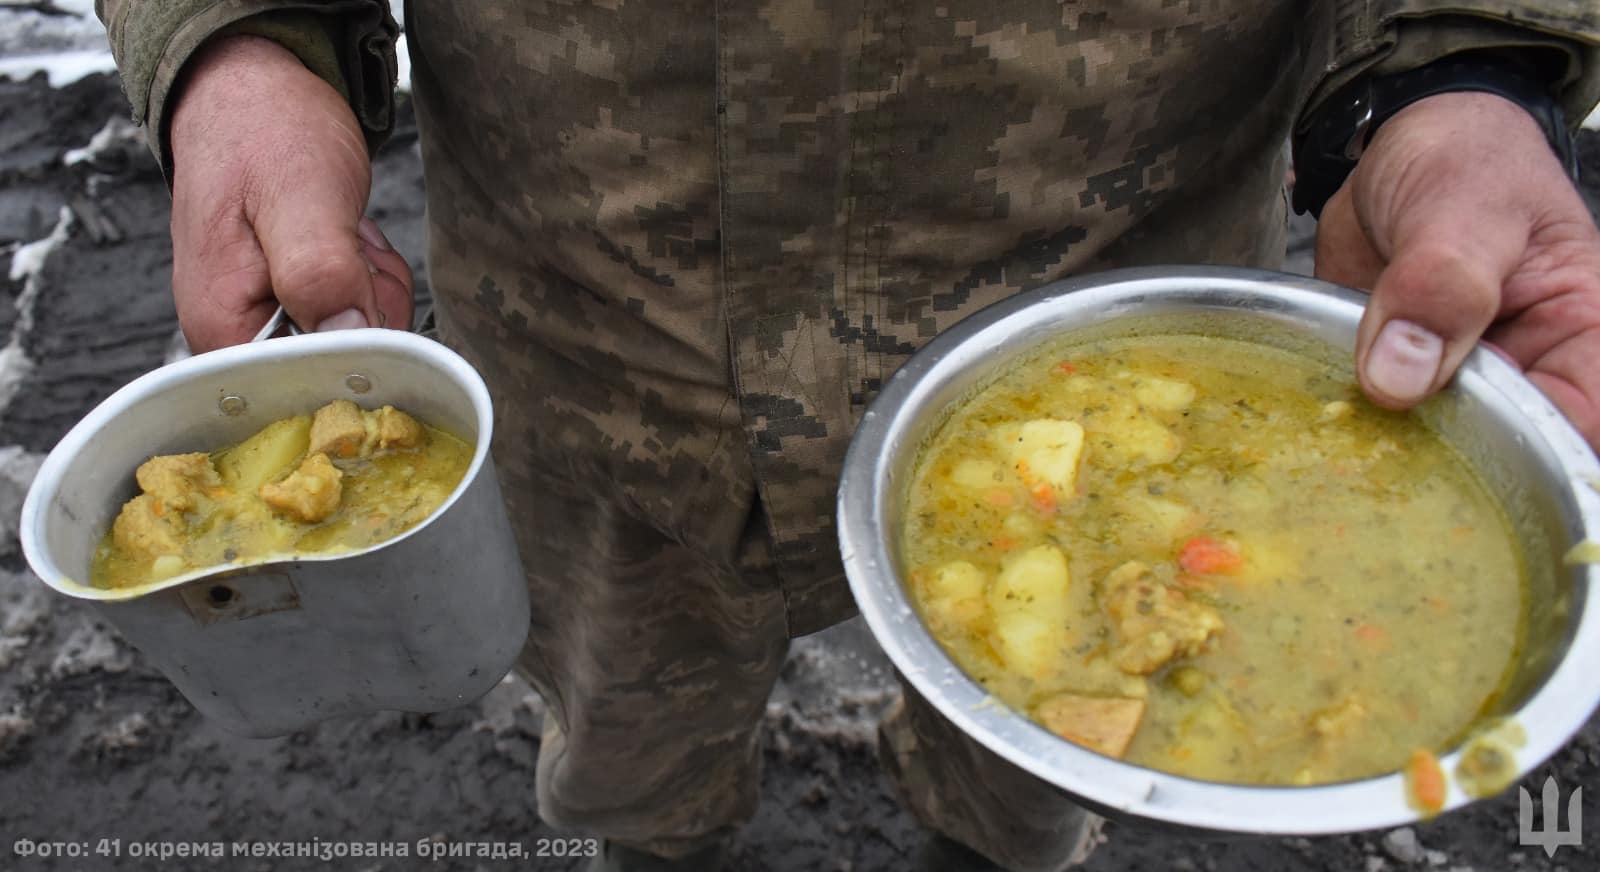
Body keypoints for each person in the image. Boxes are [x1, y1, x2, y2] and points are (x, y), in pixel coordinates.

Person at [96, 2, 1600, 870]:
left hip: (1106, 315)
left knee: (1034, 774)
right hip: (600, 313)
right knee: (628, 743)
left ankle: (985, 848)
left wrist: (1461, 75)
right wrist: (241, 45)